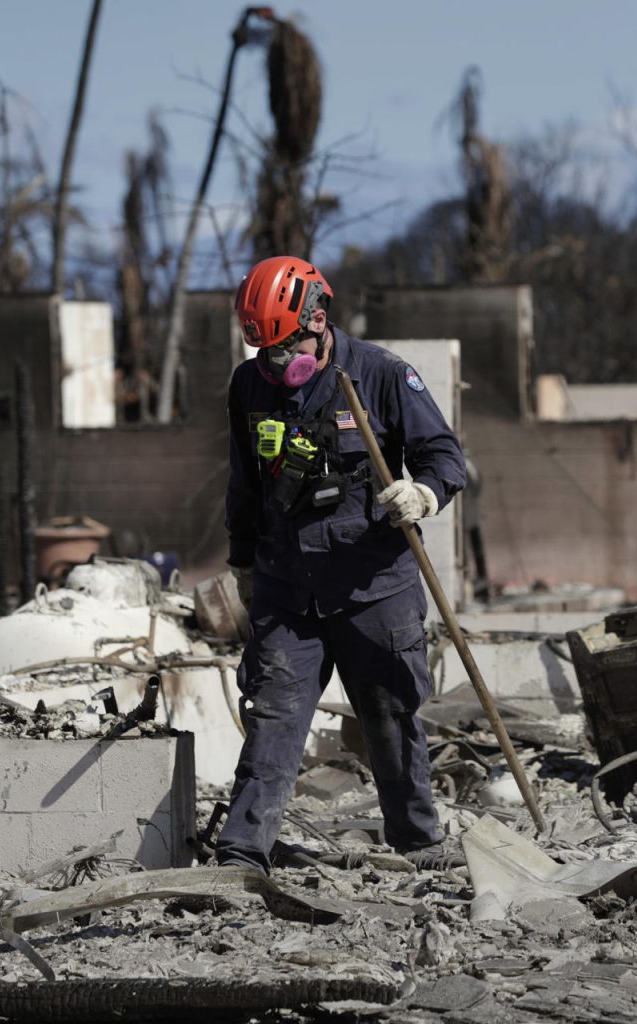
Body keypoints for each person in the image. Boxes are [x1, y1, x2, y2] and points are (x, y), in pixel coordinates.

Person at [217, 255, 467, 871]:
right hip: (286, 588)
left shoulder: (381, 375)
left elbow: (444, 456)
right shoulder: (250, 387)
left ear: (319, 322)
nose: (275, 365)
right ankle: (242, 853)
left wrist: (425, 494)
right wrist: (243, 565)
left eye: (284, 349)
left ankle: (416, 842)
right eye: (264, 353)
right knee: (274, 715)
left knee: (390, 717)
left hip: (373, 587)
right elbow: (243, 484)